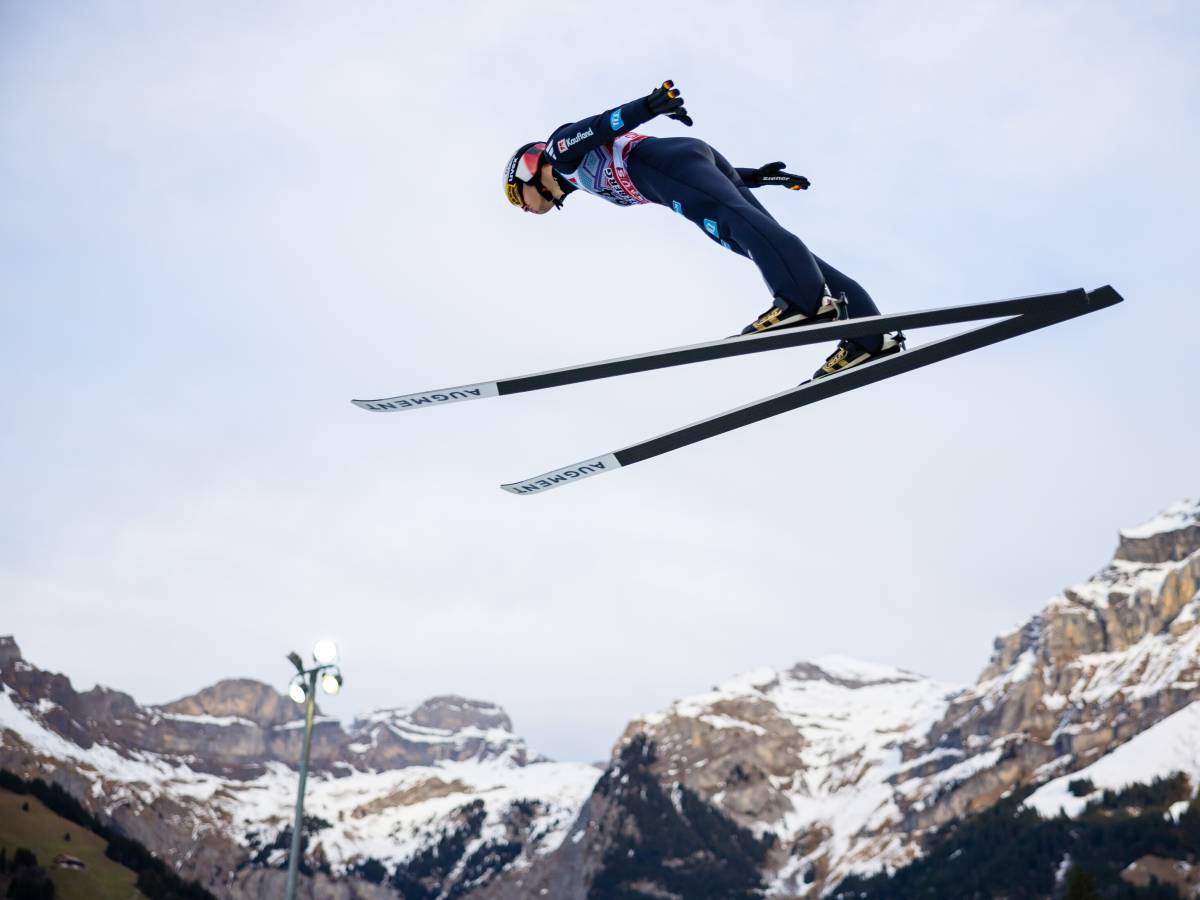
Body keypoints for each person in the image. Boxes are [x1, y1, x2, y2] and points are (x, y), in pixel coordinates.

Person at [504, 80, 904, 379]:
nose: (522, 207)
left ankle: (803, 302)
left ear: (527, 170)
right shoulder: (577, 179)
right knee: (755, 237)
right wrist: (754, 178)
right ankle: (872, 338)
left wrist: (649, 105)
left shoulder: (559, 150)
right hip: (688, 166)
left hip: (666, 165)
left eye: (515, 195)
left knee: (739, 225)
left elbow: (599, 126)